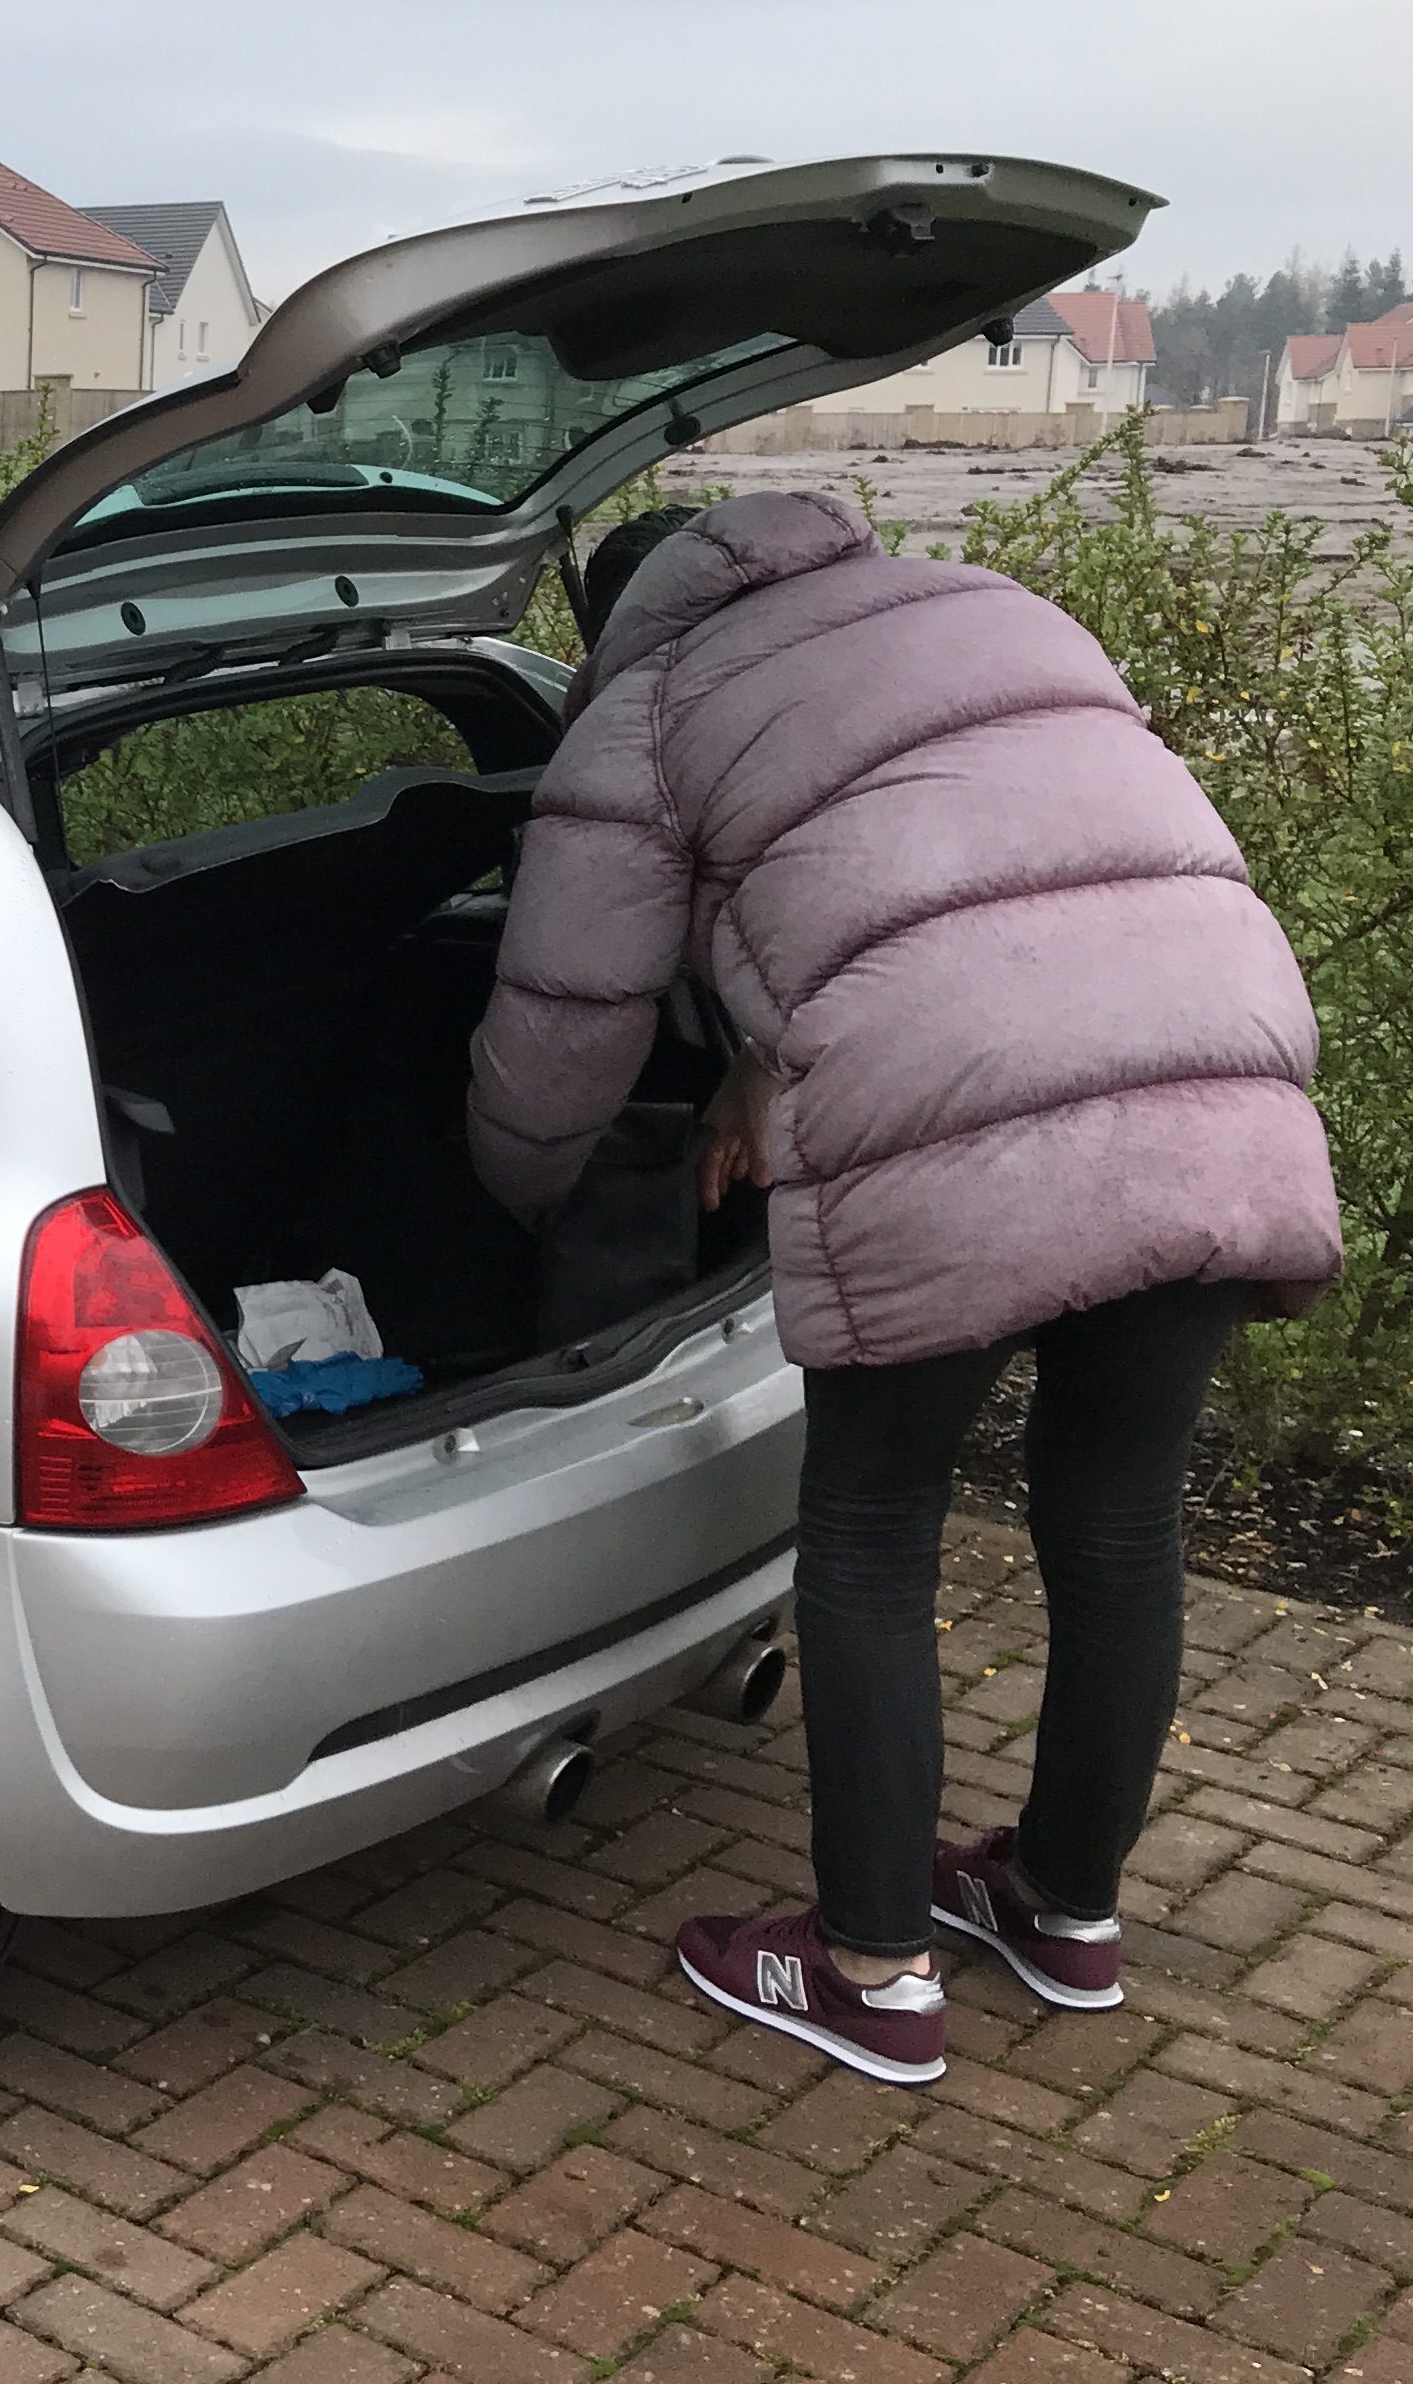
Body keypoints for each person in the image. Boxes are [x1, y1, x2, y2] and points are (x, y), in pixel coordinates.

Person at [466, 489, 1342, 2084]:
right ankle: (1064, 1906)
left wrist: (513, 1201)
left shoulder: (650, 704)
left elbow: (568, 1017)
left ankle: (871, 1968)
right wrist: (759, 1057)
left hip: (957, 1112)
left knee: (872, 1523)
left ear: (609, 626)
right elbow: (968, 867)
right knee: (1120, 1518)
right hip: (1222, 1079)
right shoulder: (988, 605)